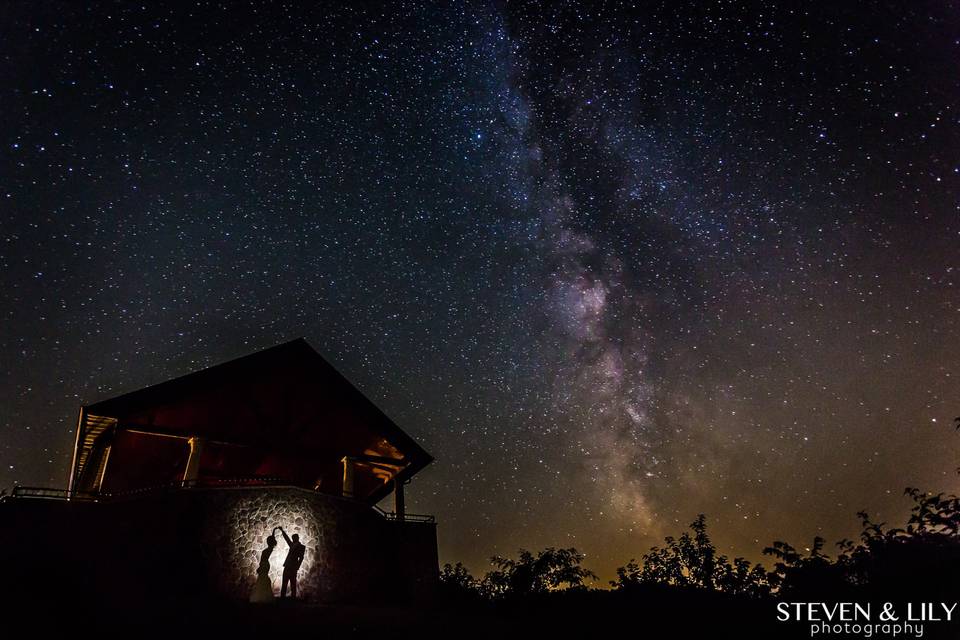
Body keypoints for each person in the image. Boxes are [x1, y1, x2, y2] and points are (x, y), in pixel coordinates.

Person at [277, 526, 306, 599]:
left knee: (293, 585)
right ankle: (282, 600)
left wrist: (297, 567)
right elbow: (287, 539)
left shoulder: (302, 547)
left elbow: (301, 557)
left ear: (297, 538)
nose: (292, 539)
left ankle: (293, 601)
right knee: (284, 584)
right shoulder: (291, 545)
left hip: (293, 568)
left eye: (294, 538)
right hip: (287, 566)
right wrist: (282, 531)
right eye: (292, 538)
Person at [249, 533, 278, 603]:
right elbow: (272, 537)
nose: (267, 542)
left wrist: (260, 567)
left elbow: (263, 559)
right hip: (265, 564)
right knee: (263, 578)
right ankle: (264, 595)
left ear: (269, 542)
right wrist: (274, 531)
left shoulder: (269, 549)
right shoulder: (269, 549)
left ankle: (262, 596)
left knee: (262, 578)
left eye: (268, 541)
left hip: (264, 564)